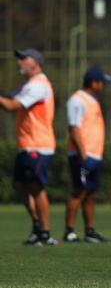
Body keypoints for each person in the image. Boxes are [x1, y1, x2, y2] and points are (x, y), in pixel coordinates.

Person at [0, 48, 57, 245]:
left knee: (36, 187)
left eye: (24, 59)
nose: (20, 62)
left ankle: (45, 233)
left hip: (38, 145)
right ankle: (37, 225)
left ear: (35, 63)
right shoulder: (28, 85)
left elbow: (11, 106)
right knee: (20, 185)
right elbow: (8, 99)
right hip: (26, 144)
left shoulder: (39, 85)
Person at [63, 66, 111, 243]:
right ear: (93, 83)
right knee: (79, 191)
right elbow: (73, 128)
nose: (103, 86)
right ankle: (69, 231)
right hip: (82, 155)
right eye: (101, 82)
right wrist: (83, 153)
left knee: (91, 193)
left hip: (94, 155)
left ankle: (90, 230)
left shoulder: (93, 100)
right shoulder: (77, 100)